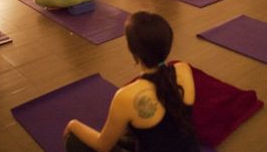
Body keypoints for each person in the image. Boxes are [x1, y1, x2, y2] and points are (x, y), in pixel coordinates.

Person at [63, 11, 199, 152]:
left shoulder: (126, 96)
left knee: (74, 141)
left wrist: (73, 125)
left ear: (133, 51)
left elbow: (102, 146)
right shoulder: (184, 69)